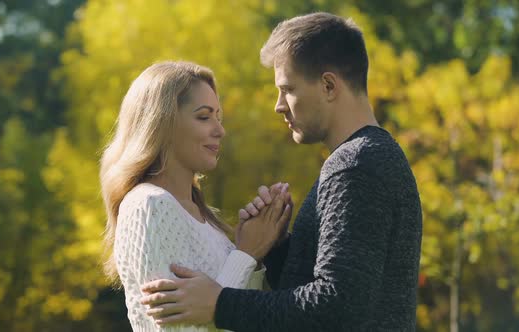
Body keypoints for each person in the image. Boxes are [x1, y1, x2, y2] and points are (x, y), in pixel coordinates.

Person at [139, 12, 423, 331]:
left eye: (287, 89)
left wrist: (219, 304)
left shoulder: (355, 165)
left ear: (329, 85)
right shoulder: (369, 158)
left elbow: (335, 307)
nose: (278, 105)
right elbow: (339, 291)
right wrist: (274, 246)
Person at [99, 61, 292, 331]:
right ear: (162, 122)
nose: (220, 130)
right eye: (204, 117)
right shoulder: (149, 205)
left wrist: (259, 245)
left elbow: (241, 315)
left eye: (219, 118)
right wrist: (246, 254)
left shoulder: (205, 219)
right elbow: (181, 330)